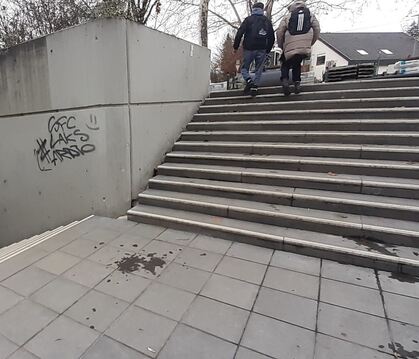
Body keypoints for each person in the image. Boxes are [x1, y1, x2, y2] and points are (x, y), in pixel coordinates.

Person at [276, 0, 320, 96]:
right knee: (297, 63)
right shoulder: (310, 15)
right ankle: (297, 83)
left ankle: (285, 80)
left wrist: (281, 45)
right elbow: (317, 29)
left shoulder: (288, 16)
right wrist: (310, 43)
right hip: (304, 43)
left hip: (289, 43)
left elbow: (280, 31)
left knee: (285, 63)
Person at [233, 2, 275, 97]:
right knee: (258, 69)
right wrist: (267, 49)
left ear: (253, 9)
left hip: (249, 48)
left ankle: (249, 81)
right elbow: (272, 37)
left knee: (244, 68)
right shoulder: (266, 21)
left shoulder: (248, 20)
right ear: (262, 9)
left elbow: (240, 33)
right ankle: (254, 87)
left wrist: (235, 46)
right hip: (262, 48)